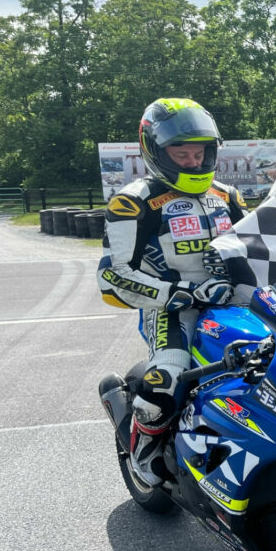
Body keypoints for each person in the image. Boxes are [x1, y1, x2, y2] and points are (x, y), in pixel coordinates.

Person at [97, 97, 247, 485]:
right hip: (171, 309)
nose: (194, 162)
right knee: (167, 380)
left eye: (200, 153)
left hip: (234, 302)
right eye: (182, 154)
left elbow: (262, 249)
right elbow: (111, 278)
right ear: (156, 151)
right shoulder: (133, 202)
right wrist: (179, 293)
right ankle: (143, 450)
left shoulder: (227, 196)